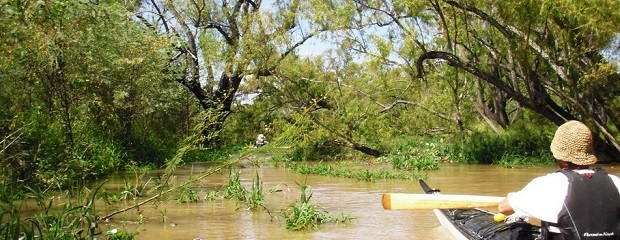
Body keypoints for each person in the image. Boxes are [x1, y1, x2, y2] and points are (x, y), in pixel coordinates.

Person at [498, 120, 620, 240]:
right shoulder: (615, 182)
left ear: (558, 155)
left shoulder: (549, 184)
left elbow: (503, 208)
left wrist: (513, 196)